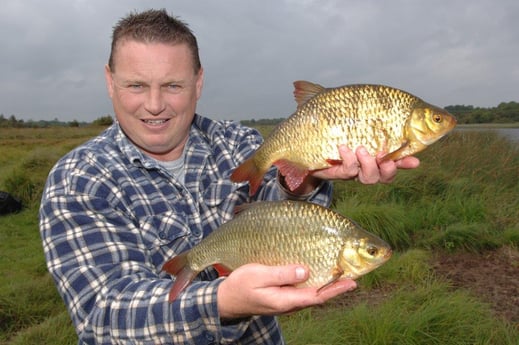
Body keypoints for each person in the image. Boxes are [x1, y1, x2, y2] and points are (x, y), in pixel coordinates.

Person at [39, 9, 419, 345]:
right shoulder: (78, 179)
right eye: (136, 85)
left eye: (173, 85)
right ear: (110, 81)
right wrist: (222, 303)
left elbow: (294, 224)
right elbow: (102, 316)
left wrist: (308, 175)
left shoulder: (240, 143)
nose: (154, 105)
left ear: (198, 82)